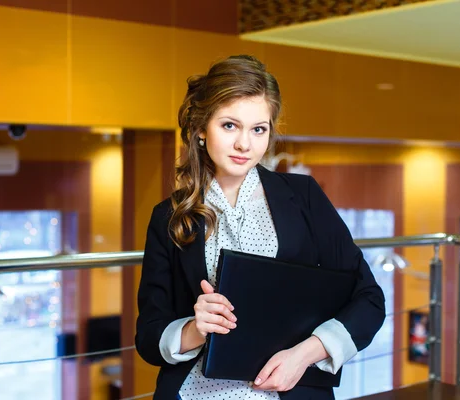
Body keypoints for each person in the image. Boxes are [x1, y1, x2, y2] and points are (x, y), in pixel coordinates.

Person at [135, 55, 386, 400]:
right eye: (229, 126)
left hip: (292, 389)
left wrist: (305, 354)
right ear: (200, 130)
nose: (244, 144)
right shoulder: (169, 216)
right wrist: (195, 329)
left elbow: (368, 298)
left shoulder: (305, 197)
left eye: (258, 129)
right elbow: (149, 335)